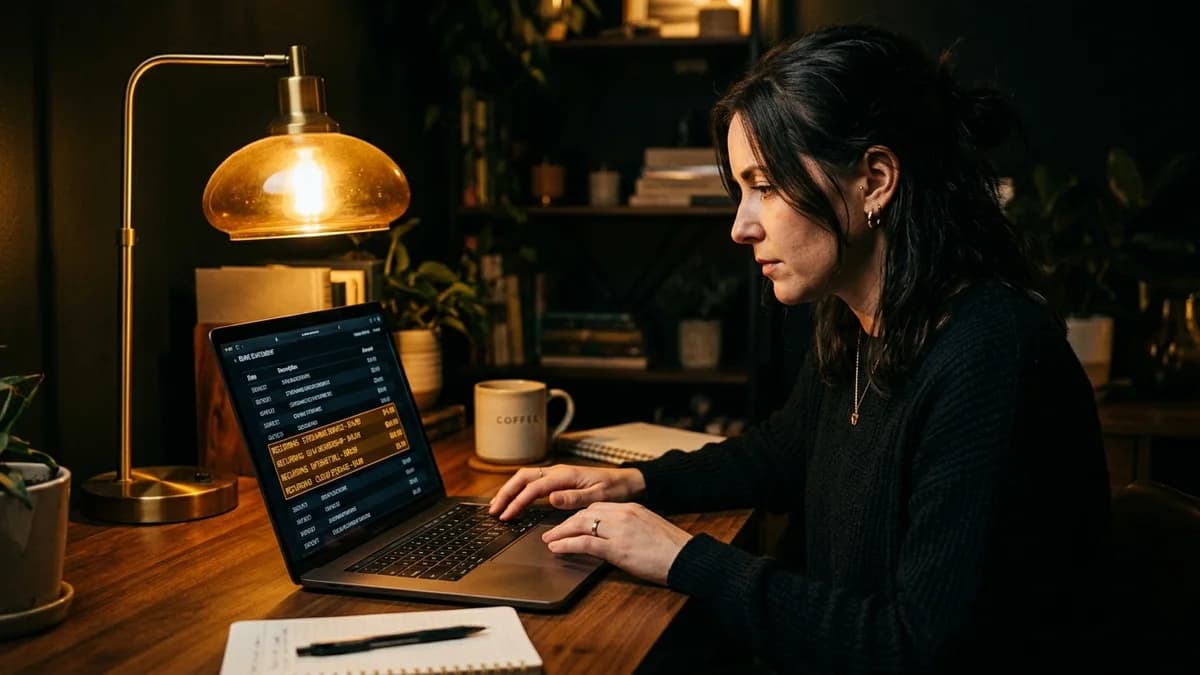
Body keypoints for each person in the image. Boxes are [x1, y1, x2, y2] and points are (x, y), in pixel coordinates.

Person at [489, 24, 1111, 673]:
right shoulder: (859, 321)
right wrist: (633, 481)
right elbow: (783, 450)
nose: (740, 225)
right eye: (741, 189)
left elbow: (918, 649)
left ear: (875, 179)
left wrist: (682, 556)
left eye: (766, 185)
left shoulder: (991, 358)